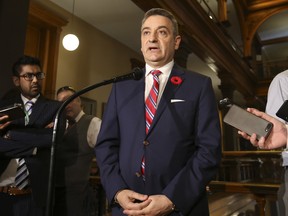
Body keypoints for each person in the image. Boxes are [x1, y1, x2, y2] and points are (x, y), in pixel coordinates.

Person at [95, 8, 221, 215]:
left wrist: (172, 198)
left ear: (176, 41)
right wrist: (117, 190)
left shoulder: (199, 85)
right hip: (128, 206)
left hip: (180, 207)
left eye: (162, 32)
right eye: (146, 32)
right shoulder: (122, 86)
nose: (152, 38)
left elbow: (209, 150)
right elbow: (106, 145)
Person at [0, 55, 63, 216]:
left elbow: (52, 139)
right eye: (28, 76)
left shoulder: (55, 108)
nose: (35, 80)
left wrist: (10, 134)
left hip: (35, 197)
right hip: (3, 193)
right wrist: (36, 146)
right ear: (16, 80)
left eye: (38, 75)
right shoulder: (4, 107)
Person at [54, 86, 101, 216]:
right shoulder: (58, 125)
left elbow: (106, 154)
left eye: (68, 99)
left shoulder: (93, 123)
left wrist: (95, 168)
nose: (65, 104)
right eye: (60, 102)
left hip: (78, 195)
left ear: (79, 101)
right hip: (55, 193)